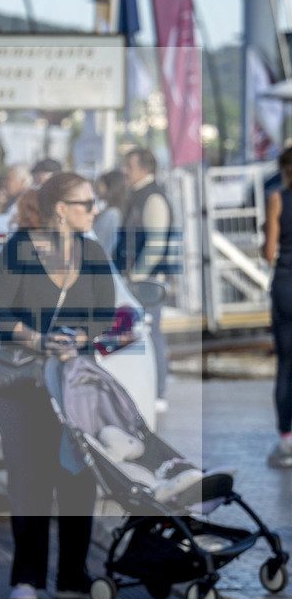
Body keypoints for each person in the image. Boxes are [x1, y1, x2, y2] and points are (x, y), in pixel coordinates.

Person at [0, 173, 118, 599]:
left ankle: (73, 575)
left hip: (74, 383)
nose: (94, 210)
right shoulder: (19, 250)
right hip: (21, 382)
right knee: (30, 476)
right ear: (61, 209)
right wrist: (37, 339)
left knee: (78, 474)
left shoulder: (92, 252)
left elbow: (106, 313)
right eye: (87, 203)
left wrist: (80, 338)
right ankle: (27, 577)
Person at [115, 147, 178, 411]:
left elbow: (155, 244)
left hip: (147, 284)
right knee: (141, 336)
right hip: (137, 282)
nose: (124, 171)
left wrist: (135, 277)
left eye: (129, 166)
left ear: (145, 169)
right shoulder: (139, 196)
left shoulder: (152, 198)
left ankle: (158, 392)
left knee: (151, 335)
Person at [263, 146, 292, 468]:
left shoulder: (277, 200)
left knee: (286, 365)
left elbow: (269, 253)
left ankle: (286, 438)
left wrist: (265, 237)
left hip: (285, 286)